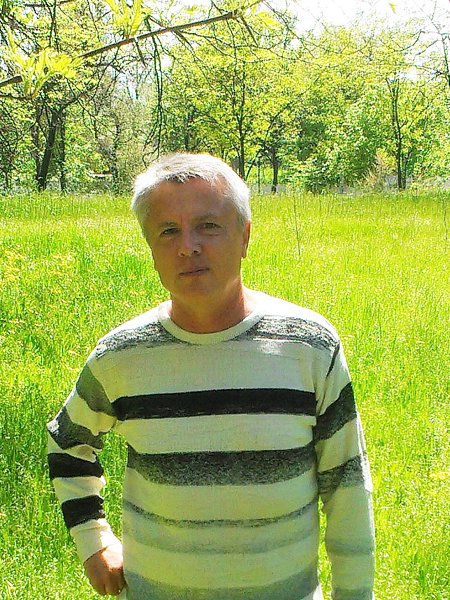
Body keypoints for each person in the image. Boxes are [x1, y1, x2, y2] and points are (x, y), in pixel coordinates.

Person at [47, 152, 375, 600]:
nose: (188, 246)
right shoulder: (122, 357)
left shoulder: (309, 346)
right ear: (150, 249)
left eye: (208, 225)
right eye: (168, 231)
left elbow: (347, 485)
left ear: (245, 236)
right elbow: (68, 443)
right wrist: (94, 542)